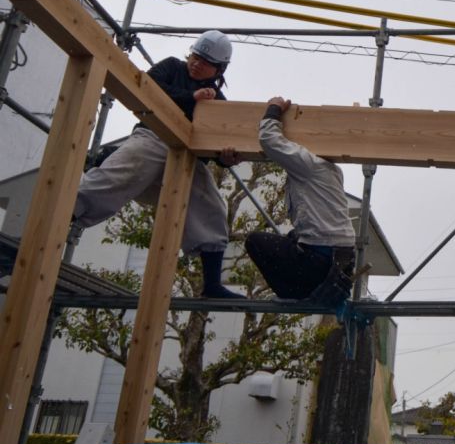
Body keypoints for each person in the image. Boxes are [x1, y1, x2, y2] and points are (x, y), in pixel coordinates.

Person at [73, 30, 243, 299]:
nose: (196, 63)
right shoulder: (172, 67)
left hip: (185, 155)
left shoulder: (218, 103)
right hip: (153, 136)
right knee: (120, 173)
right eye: (196, 56)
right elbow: (148, 88)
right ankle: (67, 215)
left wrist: (225, 157)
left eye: (205, 61)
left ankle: (212, 284)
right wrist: (192, 98)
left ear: (218, 69)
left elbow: (213, 147)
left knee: (210, 204)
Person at [245, 97, 356, 304]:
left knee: (255, 241)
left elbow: (269, 140)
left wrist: (274, 109)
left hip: (320, 261)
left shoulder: (309, 164)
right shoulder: (332, 169)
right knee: (291, 238)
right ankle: (305, 290)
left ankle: (293, 294)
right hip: (339, 260)